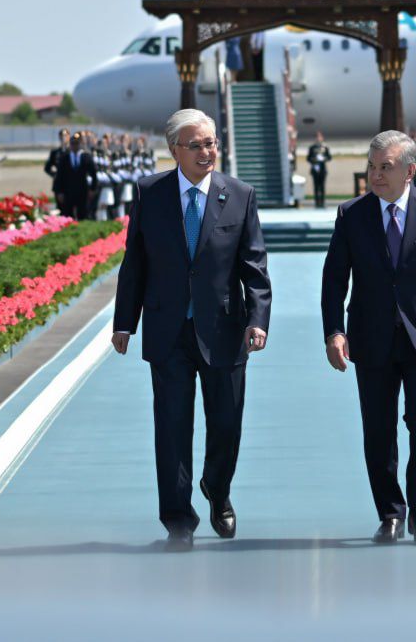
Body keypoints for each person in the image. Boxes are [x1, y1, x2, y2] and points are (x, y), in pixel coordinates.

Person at [111, 109, 272, 553]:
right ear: (174, 150)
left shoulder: (239, 195)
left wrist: (257, 320)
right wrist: (125, 322)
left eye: (211, 143)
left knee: (226, 424)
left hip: (224, 329)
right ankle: (178, 520)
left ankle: (217, 489)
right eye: (196, 145)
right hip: (168, 330)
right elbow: (135, 262)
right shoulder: (149, 193)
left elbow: (254, 267)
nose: (206, 152)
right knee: (172, 428)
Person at [321, 130, 416, 547]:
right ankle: (390, 513)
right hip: (370, 339)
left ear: (410, 170)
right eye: (371, 166)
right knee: (378, 429)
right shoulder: (352, 215)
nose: (376, 175)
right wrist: (334, 331)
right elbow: (334, 280)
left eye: (385, 167)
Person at [55, 133, 95, 221]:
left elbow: (93, 174)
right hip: (68, 191)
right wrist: (59, 191)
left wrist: (92, 189)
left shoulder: (86, 157)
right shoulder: (65, 157)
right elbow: (59, 176)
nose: (75, 146)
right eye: (73, 143)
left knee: (83, 214)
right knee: (68, 215)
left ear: (80, 144)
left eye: (77, 143)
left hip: (82, 190)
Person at [45, 128, 70, 211]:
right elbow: (47, 167)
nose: (63, 137)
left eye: (65, 135)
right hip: (59, 183)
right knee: (60, 207)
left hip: (70, 182)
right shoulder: (55, 152)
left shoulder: (72, 151)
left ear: (69, 136)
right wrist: (55, 174)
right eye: (62, 136)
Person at [307, 131, 332, 208]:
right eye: (317, 137)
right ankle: (317, 203)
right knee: (316, 186)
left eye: (319, 137)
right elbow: (308, 158)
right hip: (315, 169)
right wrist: (314, 159)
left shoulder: (325, 147)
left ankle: (322, 202)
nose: (318, 138)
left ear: (322, 138)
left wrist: (323, 159)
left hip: (322, 169)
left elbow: (329, 157)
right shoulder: (312, 148)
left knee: (322, 186)